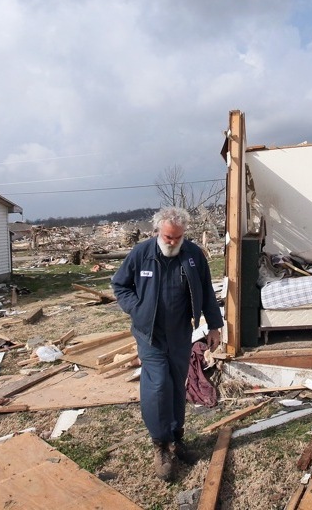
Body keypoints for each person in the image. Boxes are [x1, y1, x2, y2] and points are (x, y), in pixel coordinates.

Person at [112, 206, 223, 481]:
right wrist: (136, 309)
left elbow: (207, 290)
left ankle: (176, 438)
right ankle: (160, 444)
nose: (172, 242)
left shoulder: (194, 255)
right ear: (157, 231)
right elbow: (119, 285)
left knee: (176, 383)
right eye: (168, 237)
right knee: (158, 384)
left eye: (177, 237)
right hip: (150, 334)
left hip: (180, 333)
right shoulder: (141, 254)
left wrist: (215, 326)